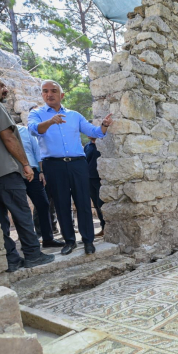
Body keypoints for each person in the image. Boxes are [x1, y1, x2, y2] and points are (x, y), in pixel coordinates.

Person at [0, 73, 54, 272]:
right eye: (0, 85)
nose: (4, 89)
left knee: (0, 219)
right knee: (22, 214)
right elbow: (9, 137)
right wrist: (25, 165)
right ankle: (33, 254)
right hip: (7, 171)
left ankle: (11, 258)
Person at [28, 80, 112, 255]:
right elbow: (34, 130)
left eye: (53, 91)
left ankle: (88, 241)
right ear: (42, 94)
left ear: (62, 95)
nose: (49, 94)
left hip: (77, 163)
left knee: (82, 202)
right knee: (61, 204)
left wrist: (103, 125)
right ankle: (70, 241)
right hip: (53, 165)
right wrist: (50, 122)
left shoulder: (74, 115)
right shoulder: (37, 114)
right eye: (45, 91)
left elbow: (95, 132)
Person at [17, 123, 64, 248]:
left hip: (34, 172)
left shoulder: (26, 131)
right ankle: (28, 242)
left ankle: (48, 239)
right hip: (14, 174)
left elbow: (36, 151)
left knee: (43, 204)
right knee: (21, 209)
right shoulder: (2, 133)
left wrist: (41, 171)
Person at [84, 136, 106, 237]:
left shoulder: (102, 144)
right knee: (96, 205)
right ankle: (103, 228)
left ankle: (107, 228)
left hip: (100, 179)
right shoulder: (87, 146)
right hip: (89, 179)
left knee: (101, 203)